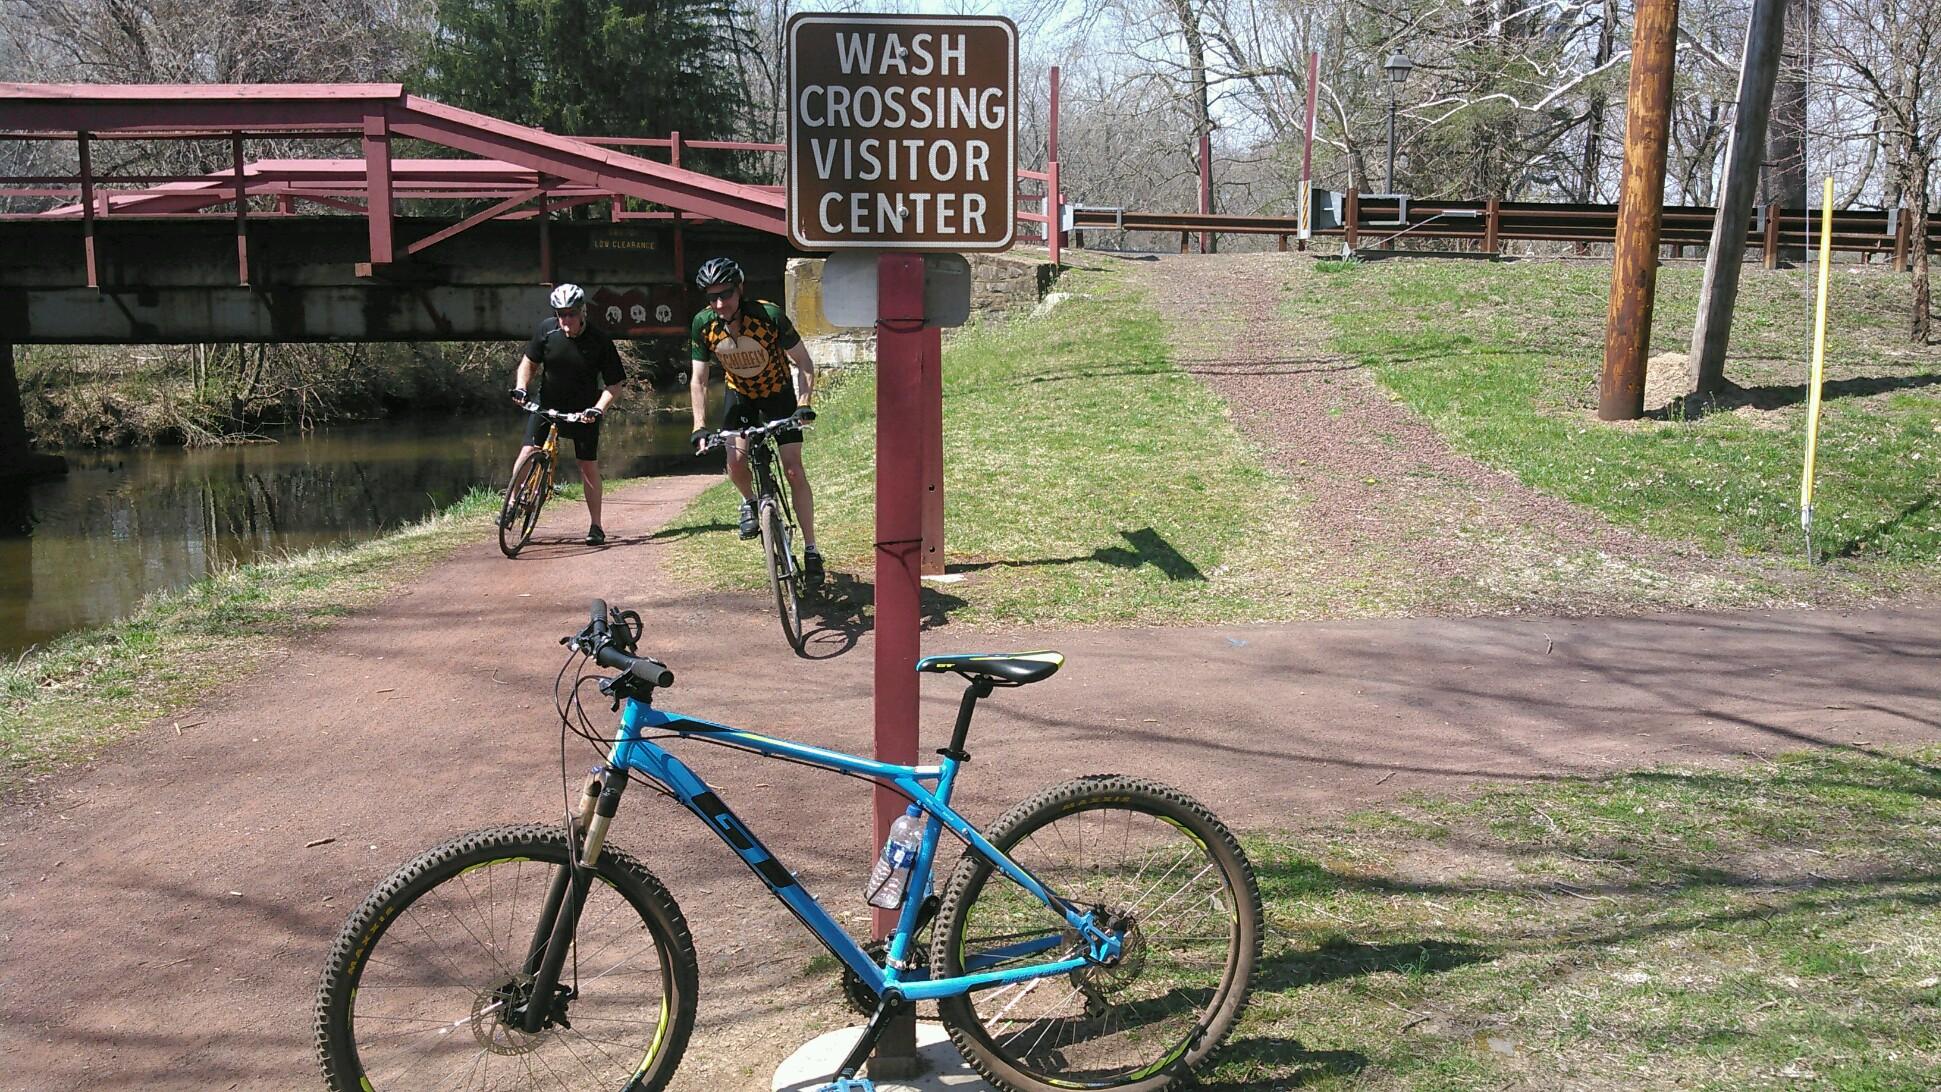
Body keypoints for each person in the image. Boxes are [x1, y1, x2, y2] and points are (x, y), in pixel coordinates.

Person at [685, 257, 822, 581]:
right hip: (741, 396)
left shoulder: (768, 316)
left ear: (740, 289)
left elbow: (803, 363)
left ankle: (812, 549)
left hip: (778, 395)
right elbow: (699, 380)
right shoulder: (704, 325)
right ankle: (749, 502)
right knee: (734, 462)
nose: (719, 303)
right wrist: (699, 425)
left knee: (792, 468)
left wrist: (803, 403)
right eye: (712, 297)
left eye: (726, 294)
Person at [508, 283, 627, 546]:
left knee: (587, 466)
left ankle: (596, 526)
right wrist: (520, 387)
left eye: (571, 314)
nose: (566, 320)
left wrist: (598, 409)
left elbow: (615, 384)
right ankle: (512, 504)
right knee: (527, 452)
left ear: (583, 311)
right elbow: (529, 362)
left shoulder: (599, 340)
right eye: (561, 314)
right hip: (548, 404)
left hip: (584, 412)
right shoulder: (547, 330)